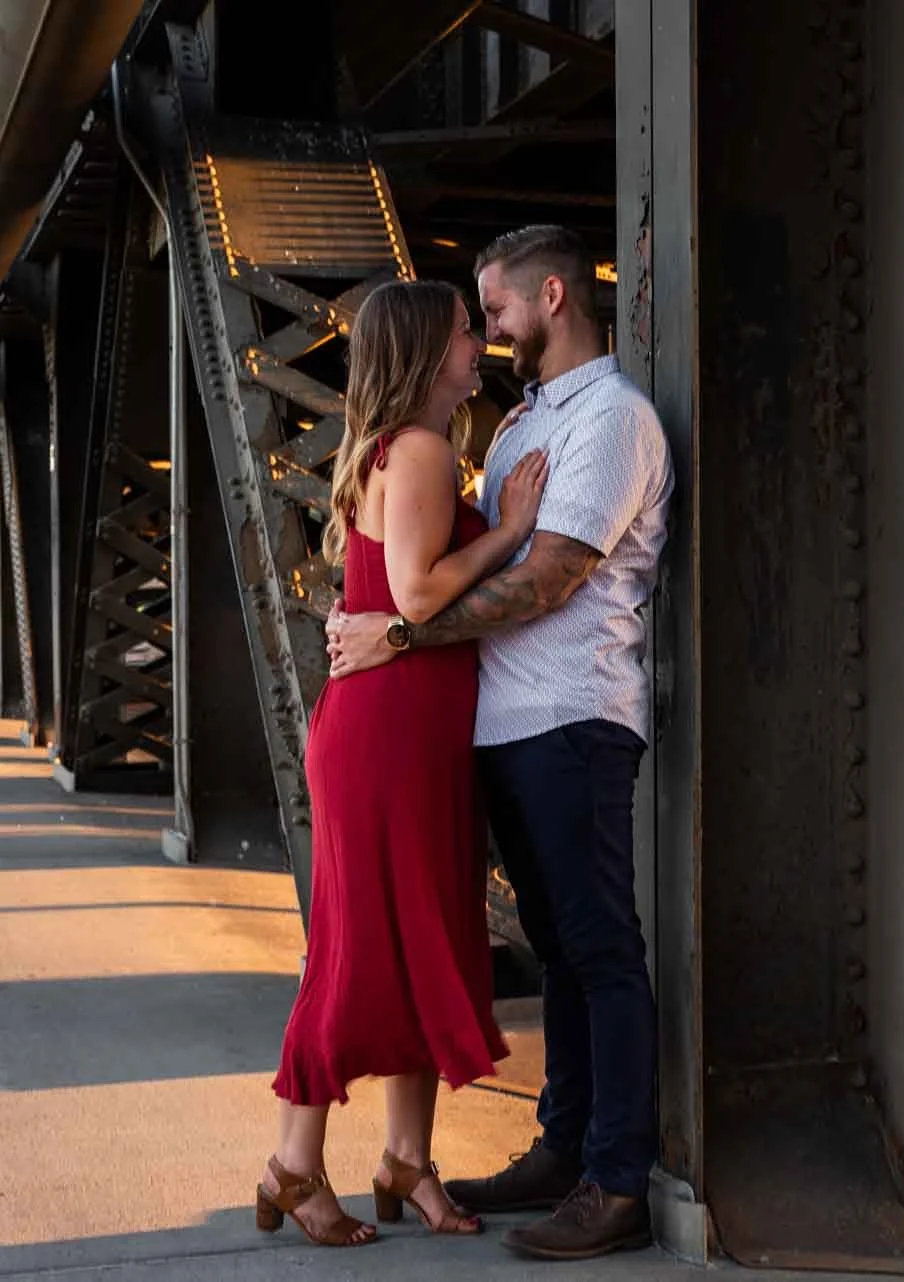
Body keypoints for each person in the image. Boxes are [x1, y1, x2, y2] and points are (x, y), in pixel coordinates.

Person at [326, 224, 673, 1263]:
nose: (485, 333)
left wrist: (398, 634)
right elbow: (455, 560)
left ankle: (617, 1181)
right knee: (559, 952)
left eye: (495, 310)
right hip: (504, 727)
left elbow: (549, 578)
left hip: (575, 717)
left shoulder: (612, 419)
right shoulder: (523, 426)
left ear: (552, 297)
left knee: (602, 950)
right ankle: (563, 1149)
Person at [257, 279, 550, 1248]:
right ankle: (294, 1167)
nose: (479, 345)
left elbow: (396, 596)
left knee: (422, 941)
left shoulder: (402, 447)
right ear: (426, 354)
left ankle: (405, 1160)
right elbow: (418, 595)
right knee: (363, 953)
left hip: (402, 734)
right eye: (466, 332)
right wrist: (509, 532)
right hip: (389, 740)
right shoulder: (419, 450)